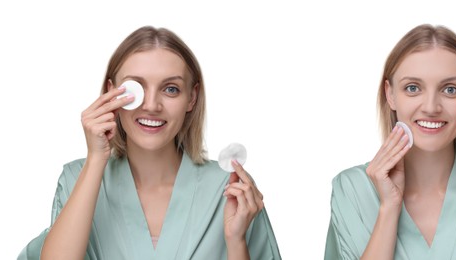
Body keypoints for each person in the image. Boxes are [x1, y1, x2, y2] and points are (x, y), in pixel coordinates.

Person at [19, 26, 281, 260]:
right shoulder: (77, 178)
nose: (152, 105)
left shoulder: (230, 189)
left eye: (171, 89)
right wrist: (96, 158)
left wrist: (236, 242)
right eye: (136, 88)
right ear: (112, 92)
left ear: (192, 97)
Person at [325, 24, 456, 260]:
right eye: (413, 88)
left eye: (450, 89)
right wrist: (388, 209)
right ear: (390, 94)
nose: (430, 107)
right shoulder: (351, 190)